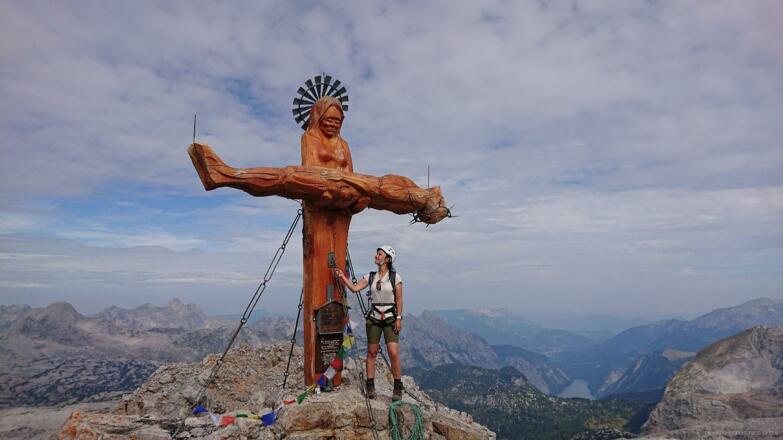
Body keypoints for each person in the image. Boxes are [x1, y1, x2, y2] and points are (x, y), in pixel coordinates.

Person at [335, 245, 404, 401]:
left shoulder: (396, 278)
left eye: (379, 254)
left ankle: (397, 386)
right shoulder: (371, 276)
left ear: (387, 259)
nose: (376, 256)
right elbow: (354, 288)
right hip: (374, 318)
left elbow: (399, 300)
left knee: (393, 351)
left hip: (390, 317)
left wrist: (399, 318)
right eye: (377, 254)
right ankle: (370, 385)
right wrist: (342, 277)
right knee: (371, 352)